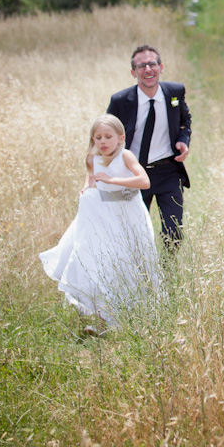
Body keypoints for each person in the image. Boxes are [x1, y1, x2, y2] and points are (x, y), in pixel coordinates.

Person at [39, 114, 160, 335]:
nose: (103, 142)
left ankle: (134, 316)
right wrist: (86, 188)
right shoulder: (91, 159)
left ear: (120, 137)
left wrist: (112, 180)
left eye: (108, 137)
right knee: (98, 260)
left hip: (127, 213)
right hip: (102, 215)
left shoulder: (126, 156)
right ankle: (102, 319)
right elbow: (92, 179)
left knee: (128, 260)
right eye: (98, 137)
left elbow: (144, 181)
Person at [107, 44, 191, 250]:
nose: (148, 70)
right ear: (133, 72)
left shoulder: (175, 92)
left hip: (168, 171)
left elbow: (184, 120)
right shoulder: (120, 101)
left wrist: (183, 139)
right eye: (141, 66)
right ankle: (141, 275)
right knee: (134, 233)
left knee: (174, 231)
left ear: (161, 66)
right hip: (134, 174)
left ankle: (168, 273)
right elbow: (107, 134)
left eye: (152, 64)